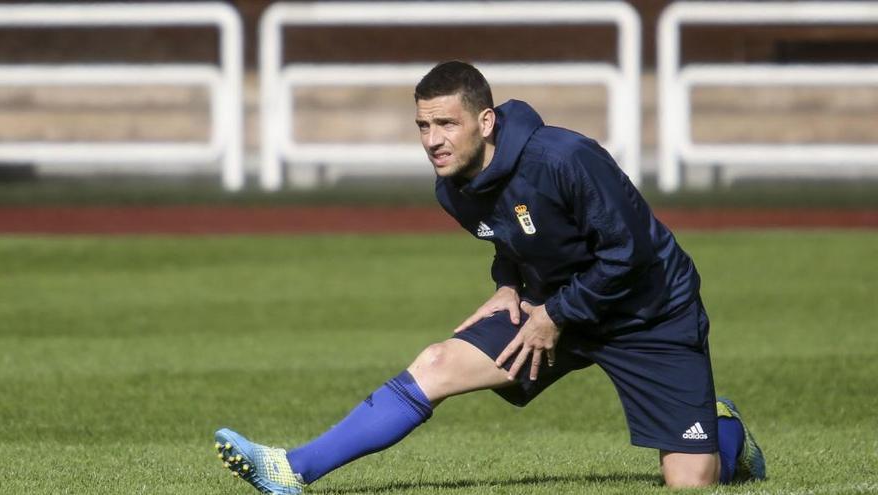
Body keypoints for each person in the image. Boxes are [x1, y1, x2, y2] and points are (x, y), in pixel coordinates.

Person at [213, 61, 765, 494]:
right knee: (436, 363)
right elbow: (510, 241)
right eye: (423, 126)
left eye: (446, 123)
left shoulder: (566, 158)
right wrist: (508, 284)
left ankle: (724, 429)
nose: (433, 139)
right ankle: (291, 469)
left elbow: (630, 253)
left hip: (649, 312)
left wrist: (555, 314)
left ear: (485, 121)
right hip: (550, 309)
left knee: (692, 481)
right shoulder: (451, 186)